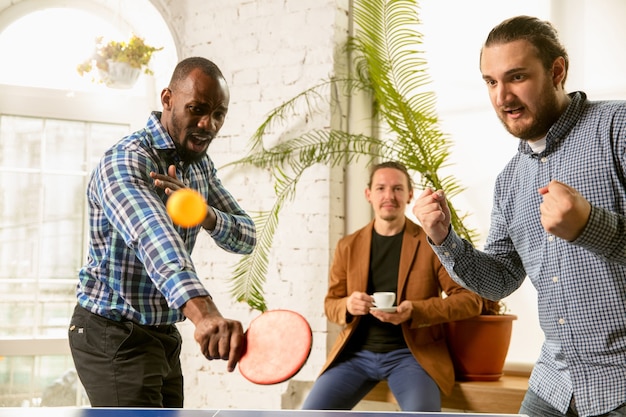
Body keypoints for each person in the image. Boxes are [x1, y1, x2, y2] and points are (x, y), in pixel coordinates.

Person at [413, 15, 626, 417]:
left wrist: (590, 227)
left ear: (557, 71)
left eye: (516, 77)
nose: (501, 96)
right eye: (491, 82)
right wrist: (444, 239)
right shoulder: (510, 181)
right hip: (553, 383)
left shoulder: (618, 128)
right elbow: (499, 281)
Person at [68, 57, 256, 407]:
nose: (208, 124)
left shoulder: (198, 166)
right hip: (112, 332)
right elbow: (156, 241)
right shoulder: (126, 162)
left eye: (219, 114)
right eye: (197, 109)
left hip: (163, 334)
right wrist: (206, 315)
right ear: (167, 98)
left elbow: (246, 236)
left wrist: (204, 213)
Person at [301, 161, 482, 412]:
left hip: (411, 356)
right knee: (306, 414)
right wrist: (348, 304)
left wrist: (415, 311)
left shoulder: (432, 244)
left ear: (409, 195)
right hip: (355, 355)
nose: (389, 196)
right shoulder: (348, 245)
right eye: (381, 188)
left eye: (397, 189)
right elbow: (331, 304)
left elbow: (470, 300)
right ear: (368, 195)